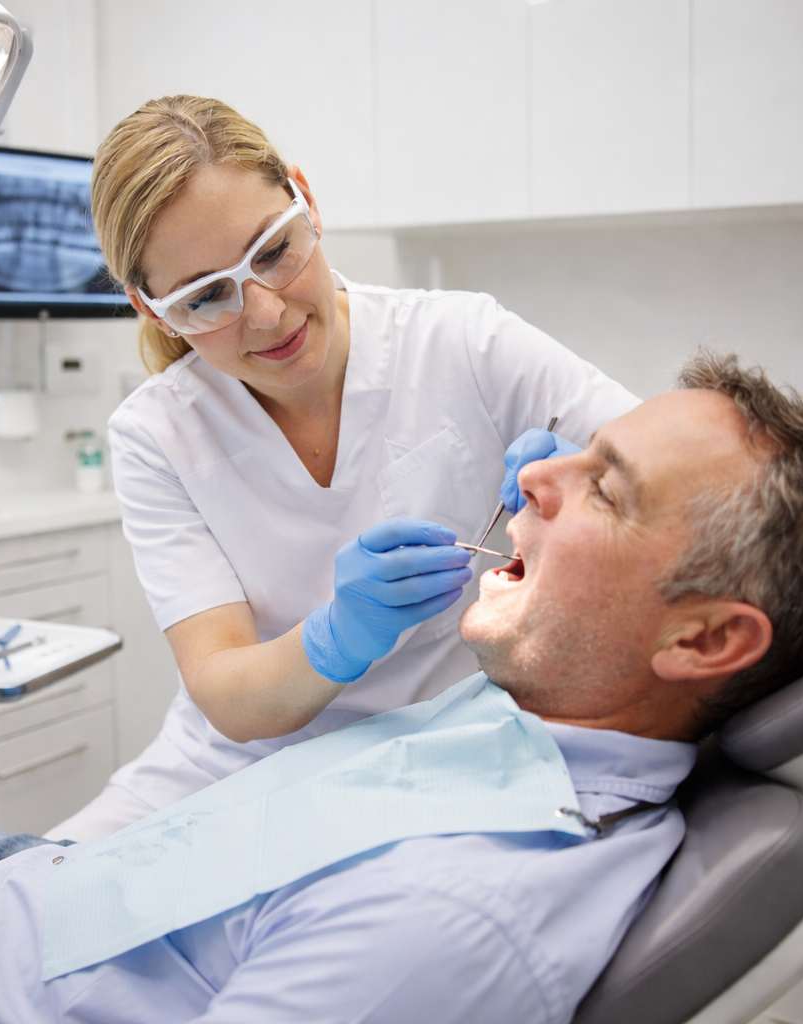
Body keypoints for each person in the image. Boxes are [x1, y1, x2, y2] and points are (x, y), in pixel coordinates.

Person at [0, 352, 803, 1024]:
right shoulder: (554, 709)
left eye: (602, 484)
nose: (532, 479)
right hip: (33, 888)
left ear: (706, 639)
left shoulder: (454, 910)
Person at [52, 95, 639, 839]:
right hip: (232, 769)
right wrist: (336, 636)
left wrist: (592, 481)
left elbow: (680, 474)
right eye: (207, 297)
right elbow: (227, 695)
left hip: (443, 743)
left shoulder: (462, 339)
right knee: (21, 889)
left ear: (306, 200)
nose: (267, 313)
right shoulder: (157, 435)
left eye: (273, 251)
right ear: (152, 308)